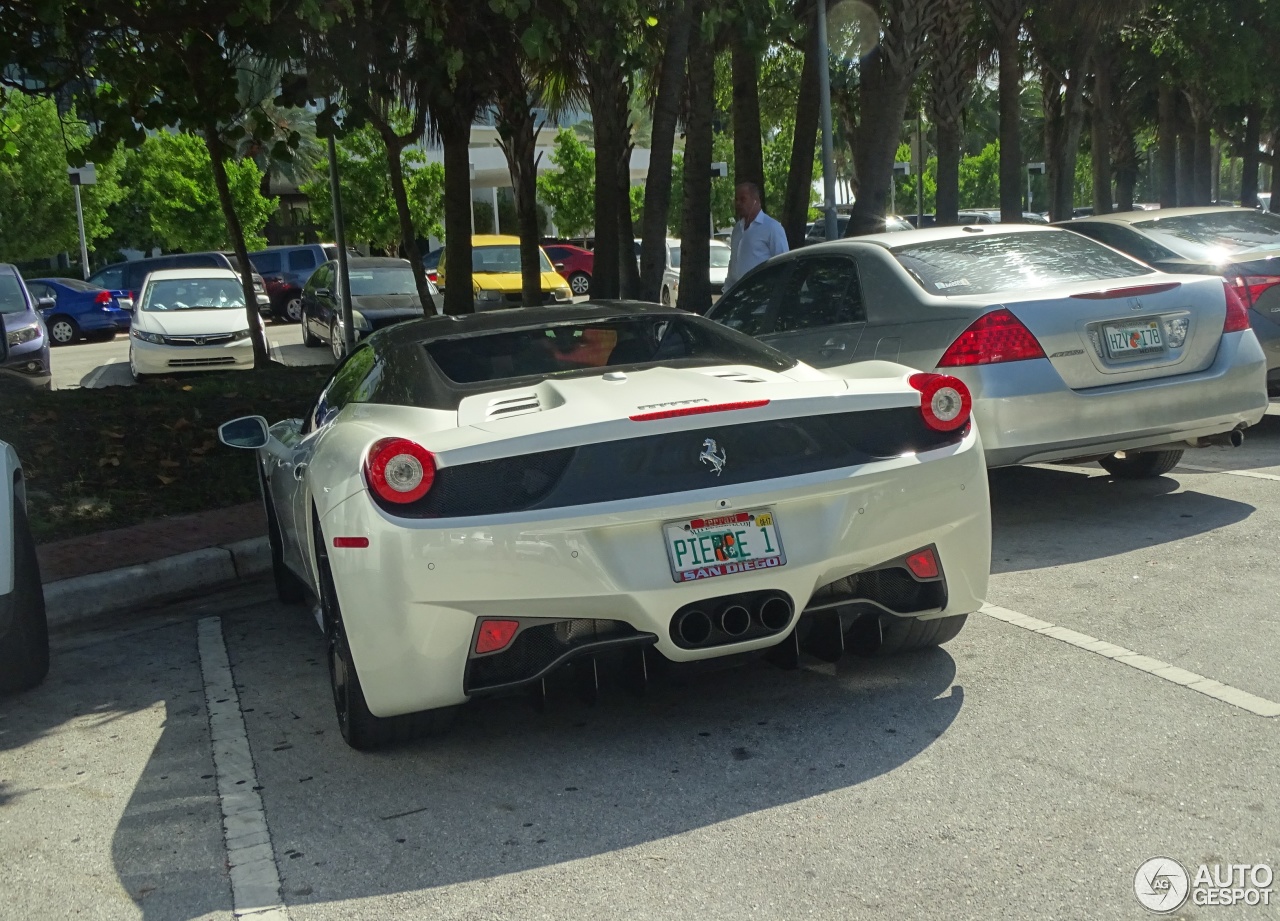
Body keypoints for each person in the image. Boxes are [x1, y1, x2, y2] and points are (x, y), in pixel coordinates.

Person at [726, 181, 789, 288]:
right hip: (736, 294)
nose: (738, 203)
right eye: (736, 199)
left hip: (761, 295)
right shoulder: (737, 229)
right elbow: (733, 263)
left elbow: (783, 264)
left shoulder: (772, 227)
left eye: (743, 199)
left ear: (756, 200)